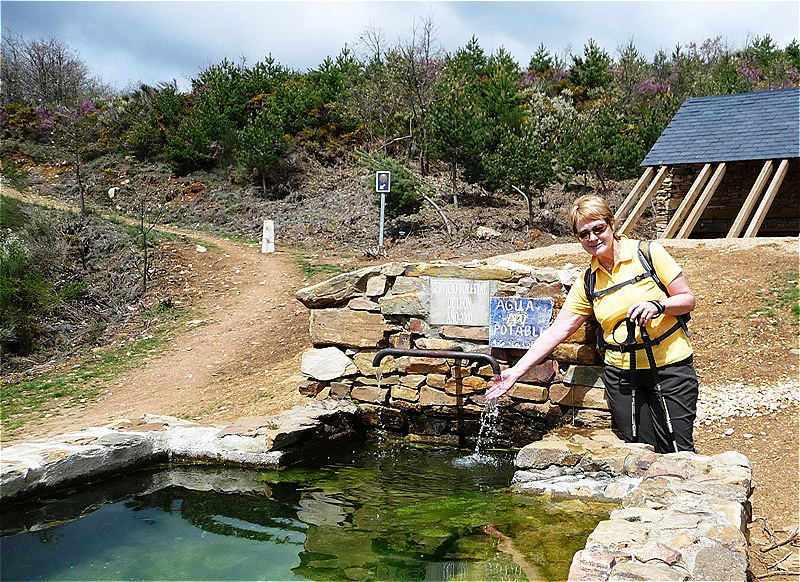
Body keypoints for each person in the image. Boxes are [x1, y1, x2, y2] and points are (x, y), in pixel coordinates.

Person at [486, 195, 698, 453]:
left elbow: (687, 299)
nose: (593, 238)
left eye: (598, 229)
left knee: (678, 450)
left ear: (612, 225)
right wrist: (515, 373)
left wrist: (658, 305)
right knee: (639, 451)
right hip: (623, 376)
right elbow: (558, 330)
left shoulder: (648, 253)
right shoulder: (588, 281)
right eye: (584, 234)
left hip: (670, 367)